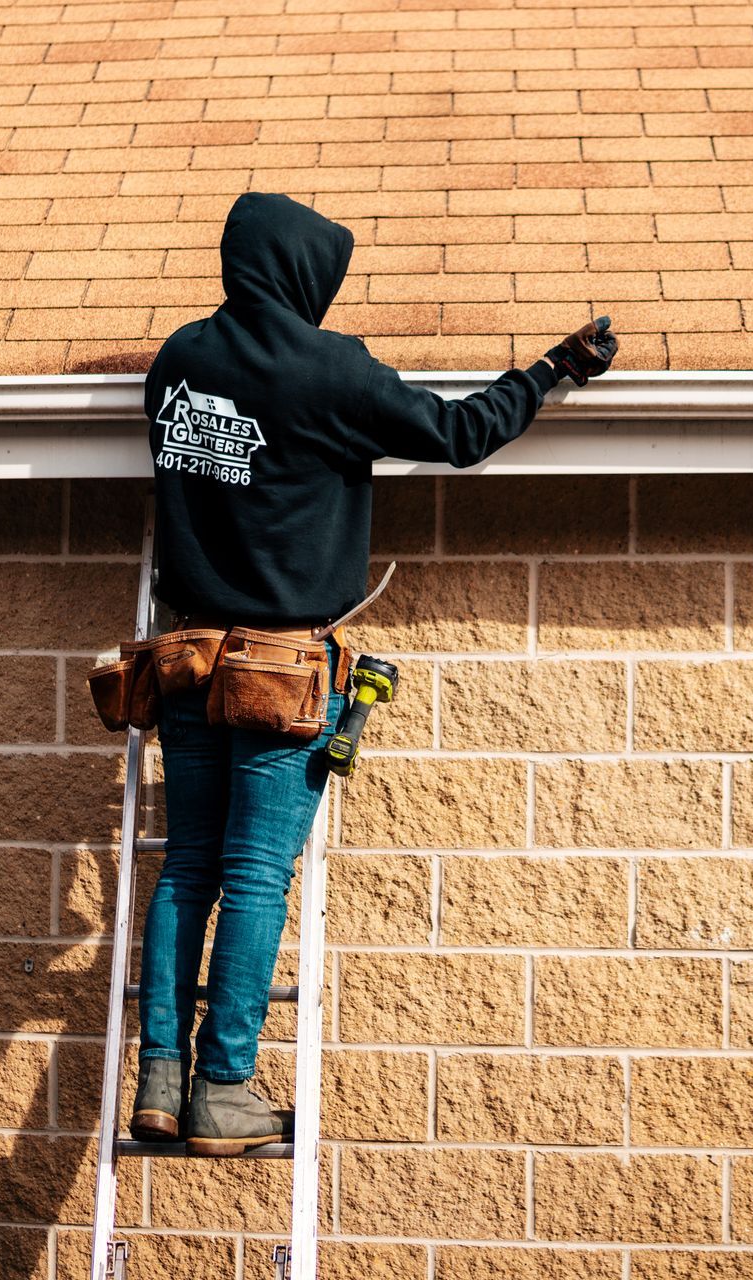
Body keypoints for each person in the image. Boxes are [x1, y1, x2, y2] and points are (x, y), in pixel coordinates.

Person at [129, 191, 618, 1154]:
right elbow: (460, 434)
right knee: (256, 877)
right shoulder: (329, 370)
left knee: (187, 868)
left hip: (186, 661)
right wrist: (552, 371)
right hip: (280, 671)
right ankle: (224, 1089)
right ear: (308, 276)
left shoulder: (178, 363)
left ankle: (159, 1077)